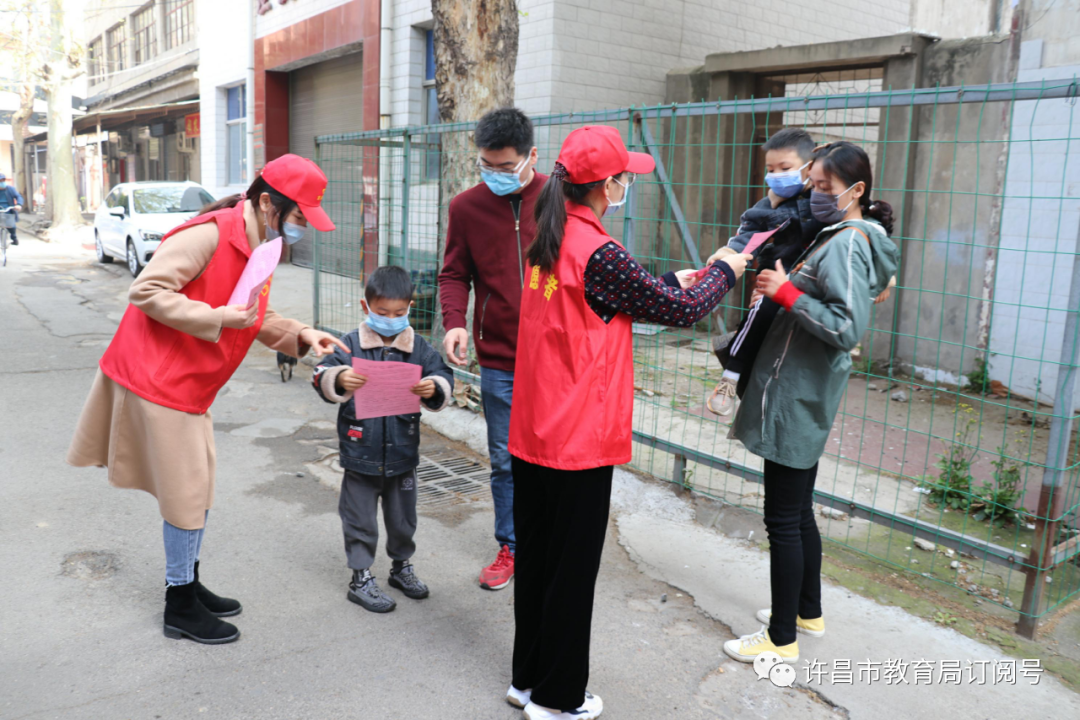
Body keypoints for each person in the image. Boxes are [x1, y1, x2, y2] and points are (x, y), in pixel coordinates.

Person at [505, 125, 751, 720]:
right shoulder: (600, 251)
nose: (627, 186)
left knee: (538, 559)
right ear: (606, 184)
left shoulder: (548, 231)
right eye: (625, 178)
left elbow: (599, 303)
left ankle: (528, 679)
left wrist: (664, 284)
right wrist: (724, 269)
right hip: (577, 436)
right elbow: (687, 312)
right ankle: (559, 699)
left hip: (536, 425)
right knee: (572, 570)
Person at [67, 154, 348, 645]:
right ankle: (179, 604)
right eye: (300, 216)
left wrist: (303, 333)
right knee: (186, 496)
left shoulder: (261, 240)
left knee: (198, 489)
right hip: (159, 378)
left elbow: (254, 313)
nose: (303, 228)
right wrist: (216, 316)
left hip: (191, 382)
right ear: (267, 203)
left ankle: (189, 585)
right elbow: (146, 290)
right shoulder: (210, 234)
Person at [723, 141, 899, 665]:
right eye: (812, 185)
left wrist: (786, 294)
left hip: (799, 394)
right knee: (798, 512)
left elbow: (846, 328)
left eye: (824, 188)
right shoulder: (841, 235)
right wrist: (781, 293)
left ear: (856, 190)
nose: (814, 195)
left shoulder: (846, 242)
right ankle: (807, 611)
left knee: (782, 518)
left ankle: (780, 641)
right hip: (806, 389)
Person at [438, 107, 544, 591]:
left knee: (554, 456)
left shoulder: (560, 200)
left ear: (531, 158)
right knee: (505, 457)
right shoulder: (466, 208)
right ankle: (513, 545)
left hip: (556, 358)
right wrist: (455, 324)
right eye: (486, 166)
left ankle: (551, 540)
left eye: (505, 167)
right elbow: (454, 273)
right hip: (500, 357)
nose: (495, 176)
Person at [311, 266, 454, 613]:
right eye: (382, 312)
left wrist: (435, 387)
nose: (391, 319)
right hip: (361, 451)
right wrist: (340, 376)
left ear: (409, 308)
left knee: (403, 519)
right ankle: (360, 577)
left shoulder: (417, 346)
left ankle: (401, 568)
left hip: (403, 452)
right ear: (366, 306)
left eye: (400, 313)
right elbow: (320, 375)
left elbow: (441, 373)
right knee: (359, 518)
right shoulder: (350, 345)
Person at [706, 128, 824, 417]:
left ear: (810, 167)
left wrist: (884, 274)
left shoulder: (826, 199)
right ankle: (731, 376)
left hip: (813, 283)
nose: (776, 175)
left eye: (785, 168)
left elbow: (865, 225)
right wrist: (730, 253)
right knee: (762, 312)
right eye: (771, 169)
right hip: (775, 279)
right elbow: (749, 233)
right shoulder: (770, 204)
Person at [0, 173, 25, 246]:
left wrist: (18, 205)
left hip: (8, 210)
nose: (2, 182)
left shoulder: (10, 189)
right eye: (0, 180)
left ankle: (14, 238)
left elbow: (18, 197)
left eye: (3, 180)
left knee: (12, 226)